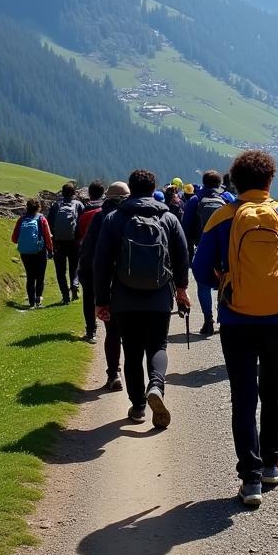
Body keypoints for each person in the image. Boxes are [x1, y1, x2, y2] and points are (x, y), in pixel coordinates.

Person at [192, 149, 278, 508]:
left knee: (243, 396)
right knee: (273, 390)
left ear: (237, 181)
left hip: (235, 320)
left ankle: (249, 479)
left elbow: (200, 271)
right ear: (269, 180)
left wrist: (228, 282)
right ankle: (271, 464)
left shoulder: (221, 217)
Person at [94, 169, 190, 428]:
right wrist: (181, 290)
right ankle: (156, 385)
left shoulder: (114, 219)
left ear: (130, 188)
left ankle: (137, 406)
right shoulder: (168, 218)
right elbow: (182, 257)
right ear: (153, 188)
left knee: (132, 351)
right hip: (160, 296)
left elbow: (101, 263)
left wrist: (101, 300)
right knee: (158, 346)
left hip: (124, 297)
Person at [78, 180, 129, 390]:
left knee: (113, 332)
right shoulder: (133, 217)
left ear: (107, 198)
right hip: (131, 284)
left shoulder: (100, 218)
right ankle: (143, 380)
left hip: (107, 285)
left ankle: (114, 373)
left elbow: (89, 256)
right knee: (133, 334)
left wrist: (95, 293)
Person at [182, 169, 235, 336]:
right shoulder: (228, 199)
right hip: (226, 249)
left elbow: (186, 229)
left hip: (203, 247)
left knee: (203, 285)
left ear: (203, 182)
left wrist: (189, 253)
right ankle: (223, 317)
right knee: (225, 282)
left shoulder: (195, 200)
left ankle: (208, 320)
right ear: (220, 183)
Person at [47, 182, 85, 305]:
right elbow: (83, 223)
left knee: (60, 270)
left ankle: (65, 296)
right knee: (74, 266)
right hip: (74, 242)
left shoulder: (56, 206)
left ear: (62, 193)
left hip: (59, 243)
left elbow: (49, 224)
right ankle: (74, 285)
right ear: (74, 193)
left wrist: (53, 240)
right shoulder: (78, 205)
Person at [12, 198, 53, 308]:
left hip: (25, 252)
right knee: (40, 276)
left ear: (27, 207)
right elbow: (47, 236)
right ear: (39, 207)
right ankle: (38, 299)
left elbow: (14, 239)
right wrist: (50, 249)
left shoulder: (21, 220)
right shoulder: (42, 219)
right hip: (40, 251)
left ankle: (31, 302)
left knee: (30, 276)